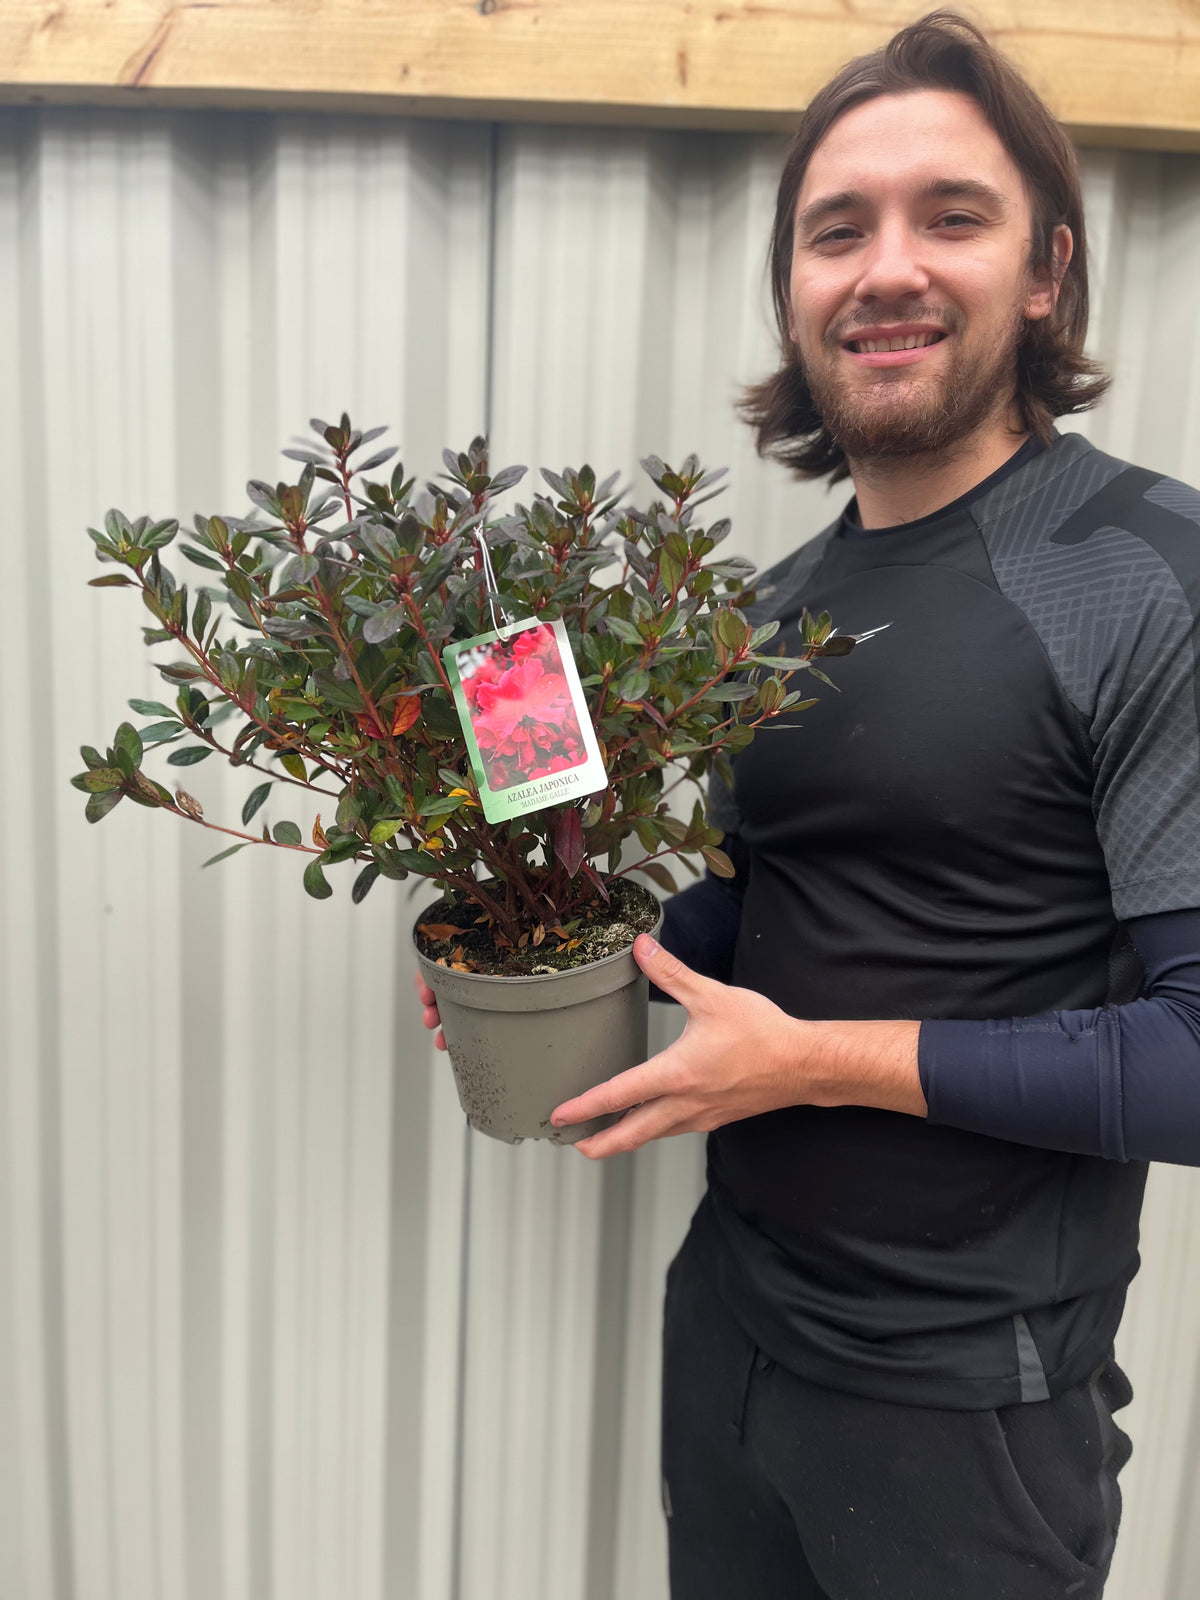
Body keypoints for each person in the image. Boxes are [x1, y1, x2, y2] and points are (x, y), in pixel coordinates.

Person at [416, 13, 1200, 1596]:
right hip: (734, 1334)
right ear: (793, 288)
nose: (886, 268)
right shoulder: (764, 612)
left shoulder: (1142, 576)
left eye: (950, 217)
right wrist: (553, 960)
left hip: (970, 1408)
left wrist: (810, 1063)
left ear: (1046, 272)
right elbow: (762, 904)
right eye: (836, 231)